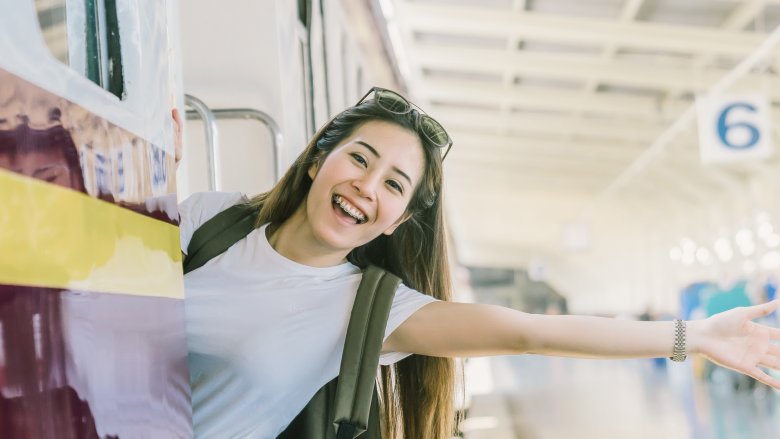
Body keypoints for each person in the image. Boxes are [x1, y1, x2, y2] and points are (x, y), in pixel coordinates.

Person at [179, 87, 780, 438]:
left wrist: (692, 336)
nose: (367, 186)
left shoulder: (368, 309)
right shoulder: (208, 219)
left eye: (394, 185)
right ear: (318, 160)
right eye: (359, 159)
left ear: (396, 220)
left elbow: (527, 331)